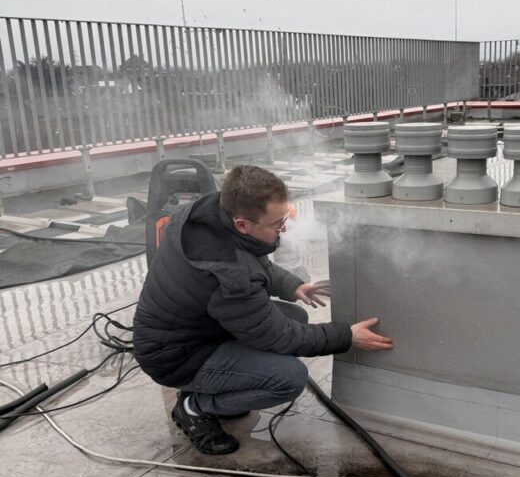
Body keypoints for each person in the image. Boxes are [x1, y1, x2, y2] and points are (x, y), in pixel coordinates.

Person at [132, 164, 393, 456]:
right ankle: (194, 406)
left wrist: (291, 285)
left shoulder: (208, 212)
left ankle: (219, 387)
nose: (284, 228)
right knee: (288, 378)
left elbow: (251, 259)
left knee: (296, 316)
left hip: (193, 328)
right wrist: (345, 336)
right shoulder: (230, 276)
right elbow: (280, 336)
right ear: (243, 223)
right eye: (277, 224)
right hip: (174, 357)